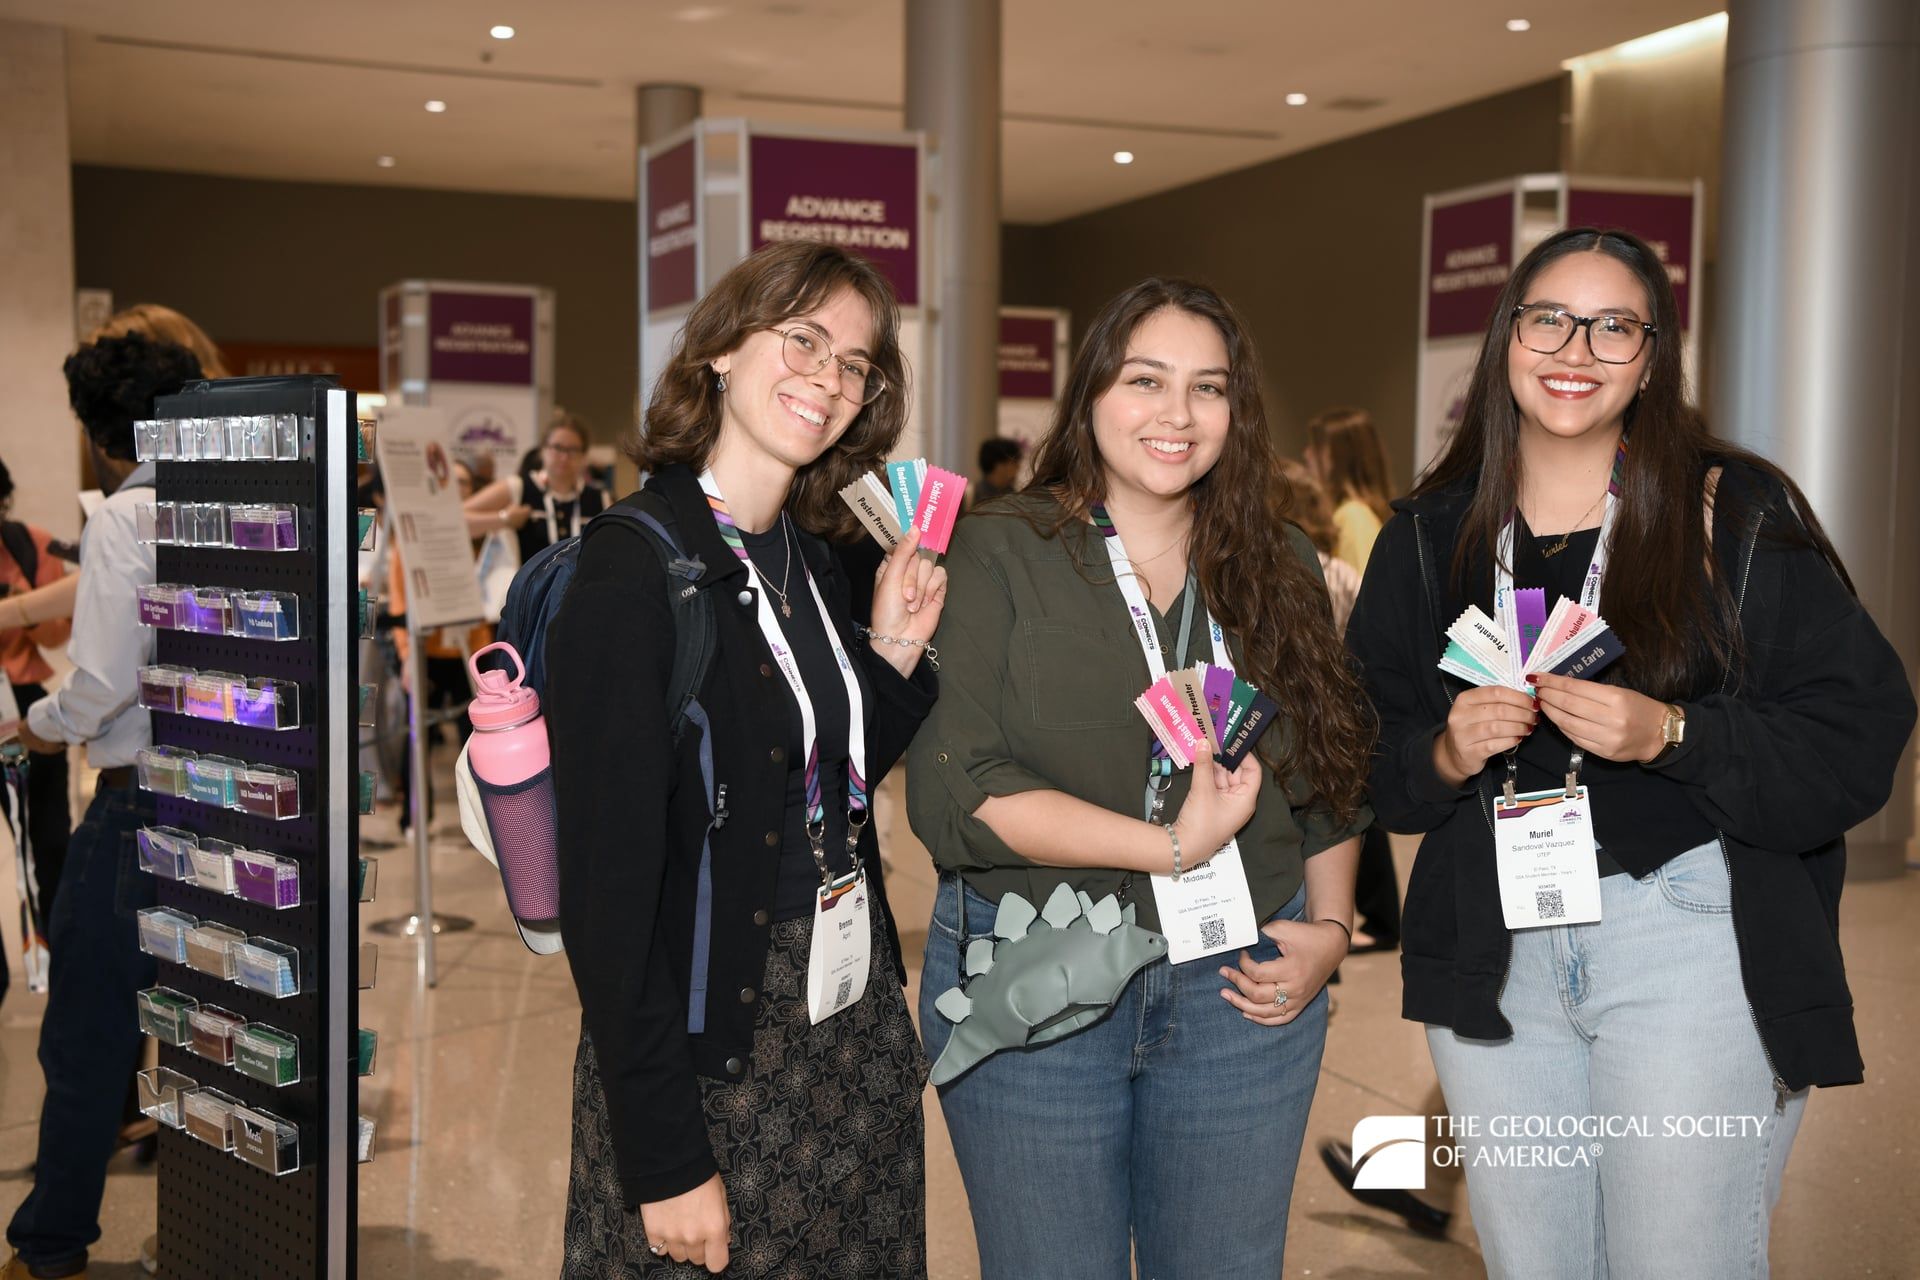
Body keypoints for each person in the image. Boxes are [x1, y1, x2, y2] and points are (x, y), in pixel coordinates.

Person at [1345, 226, 1916, 1277]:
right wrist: (1445, 751)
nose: (1578, 348)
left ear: (1652, 359)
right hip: (1498, 950)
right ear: (1507, 336)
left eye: (1616, 326)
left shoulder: (1726, 511)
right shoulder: (1431, 535)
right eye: (1550, 317)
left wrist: (1679, 732)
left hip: (1689, 939)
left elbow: (1859, 724)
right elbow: (1362, 756)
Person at [906, 278, 1374, 1279]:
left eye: (1208, 388)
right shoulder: (994, 549)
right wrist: (1170, 845)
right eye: (1146, 379)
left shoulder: (1281, 562)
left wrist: (1330, 933)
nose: (1177, 414)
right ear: (1089, 395)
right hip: (1033, 975)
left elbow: (1330, 775)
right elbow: (958, 791)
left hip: (1243, 986)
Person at [546, 240, 945, 1278]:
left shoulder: (807, 559)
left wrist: (892, 652)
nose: (828, 377)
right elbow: (607, 899)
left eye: (855, 363)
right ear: (723, 348)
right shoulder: (634, 574)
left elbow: (811, 794)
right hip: (710, 1061)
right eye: (804, 339)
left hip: (846, 1043)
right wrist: (663, 1154)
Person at [4, 332, 204, 1280]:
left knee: (86, 1033)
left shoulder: (128, 518)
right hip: (229, 807)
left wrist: (40, 728)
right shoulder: (227, 502)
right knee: (212, 1029)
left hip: (137, 810)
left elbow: (106, 683)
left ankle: (49, 1247)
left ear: (100, 433)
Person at [0, 455, 75, 996]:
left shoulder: (29, 543)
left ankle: (58, 957)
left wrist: (21, 608)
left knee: (49, 841)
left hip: (20, 704)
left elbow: (53, 637)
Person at [465, 412, 606, 565]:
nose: (564, 457)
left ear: (584, 456)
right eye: (557, 448)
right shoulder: (519, 487)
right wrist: (503, 518)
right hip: (529, 587)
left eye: (572, 450)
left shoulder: (599, 498)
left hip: (581, 587)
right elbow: (460, 519)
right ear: (543, 450)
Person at [1304, 406, 1393, 574]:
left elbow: (1357, 593)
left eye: (1317, 448)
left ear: (1338, 459)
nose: (1307, 454)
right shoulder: (1354, 515)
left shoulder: (1352, 518)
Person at [973, 437, 1022, 505]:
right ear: (999, 466)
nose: (1018, 467)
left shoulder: (1016, 498)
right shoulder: (970, 496)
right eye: (1014, 462)